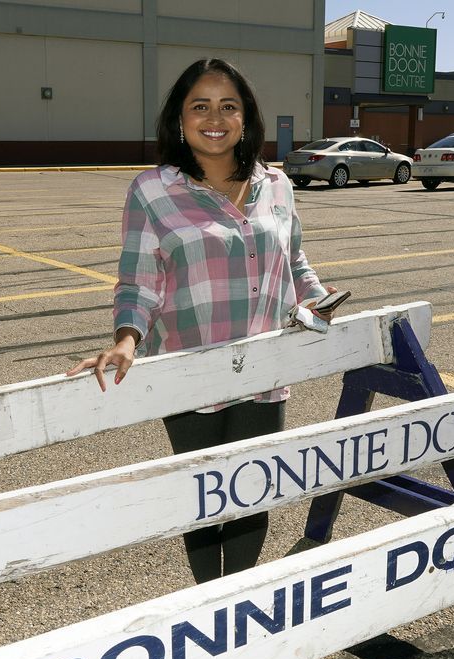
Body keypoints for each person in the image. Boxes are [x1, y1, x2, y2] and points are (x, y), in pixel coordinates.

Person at [67, 58, 333, 584]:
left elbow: (295, 260)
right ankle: (208, 599)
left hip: (265, 367)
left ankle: (236, 598)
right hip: (190, 371)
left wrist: (324, 304)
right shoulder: (153, 190)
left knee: (253, 491)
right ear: (180, 119)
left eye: (228, 105)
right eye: (201, 106)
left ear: (246, 117)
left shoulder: (277, 185)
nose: (215, 117)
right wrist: (126, 340)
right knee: (203, 496)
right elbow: (140, 279)